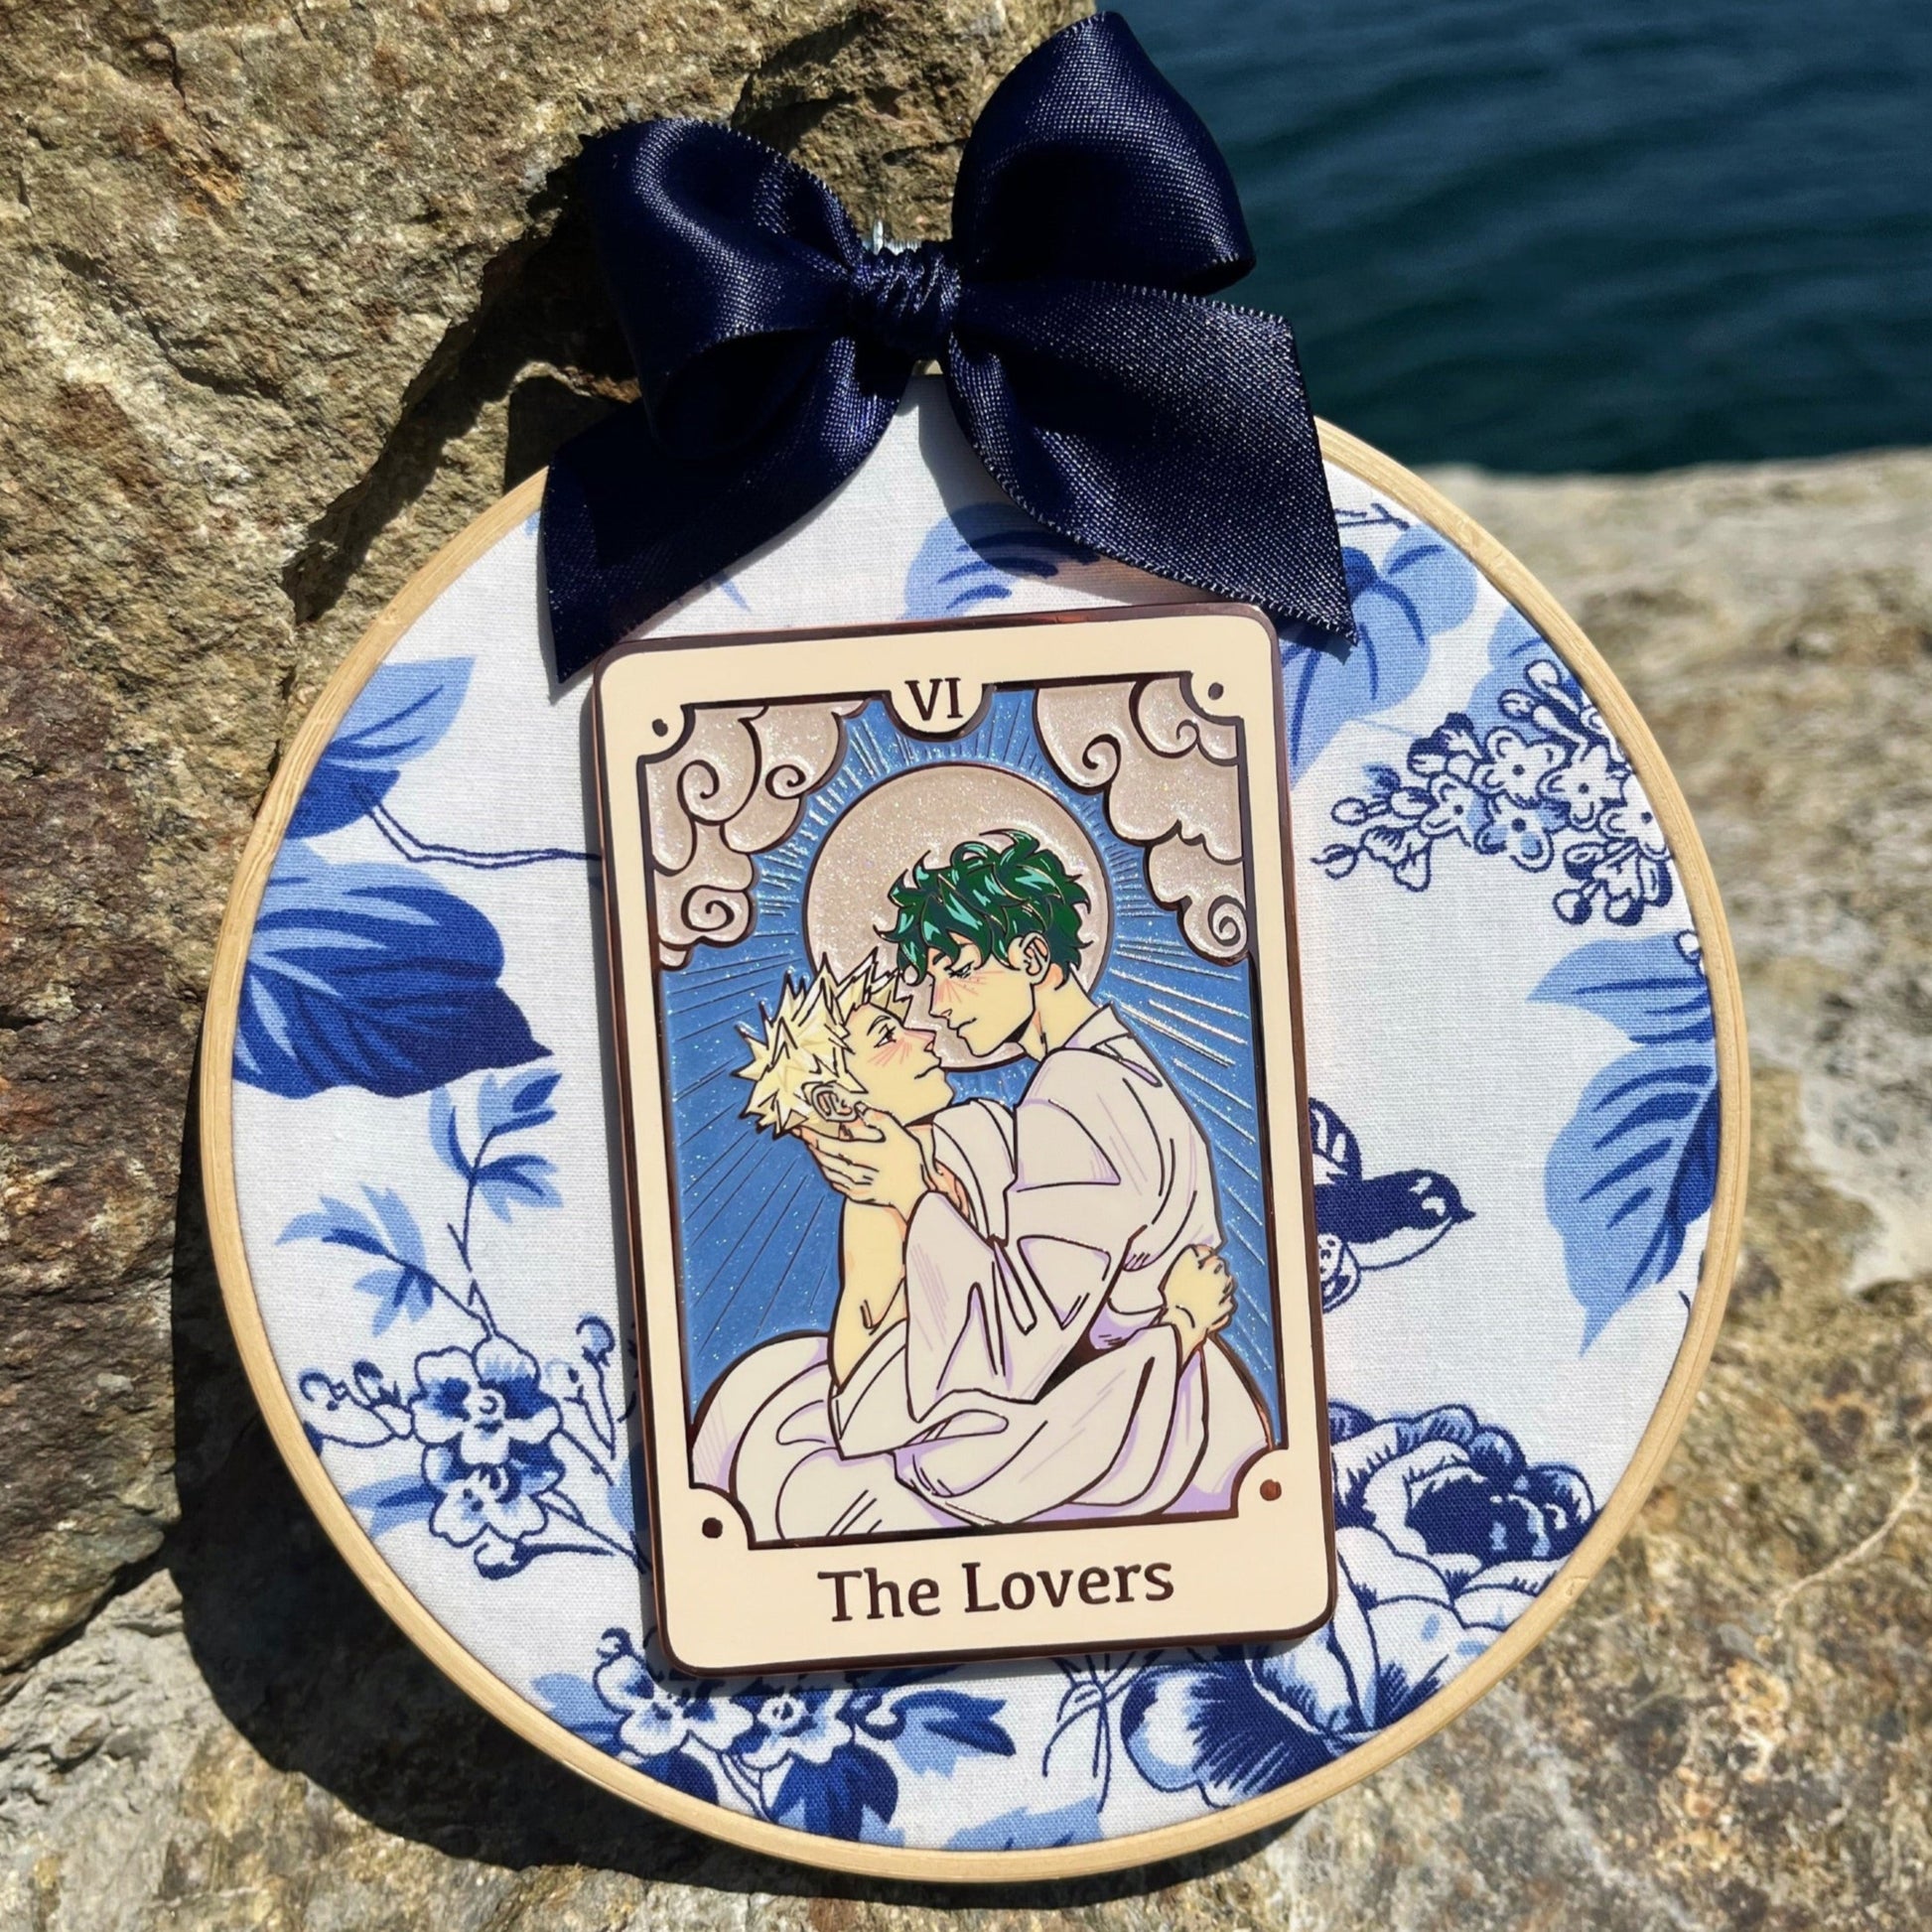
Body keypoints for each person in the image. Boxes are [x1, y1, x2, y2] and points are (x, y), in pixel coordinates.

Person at [801, 833, 1270, 1529]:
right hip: (1107, 1380)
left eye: (958, 971)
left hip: (1113, 1416)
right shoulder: (1089, 1074)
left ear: (1030, 957)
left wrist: (912, 1193)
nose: (938, 1008)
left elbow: (1011, 1347)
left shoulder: (1082, 1091)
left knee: (935, 1457)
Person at [690, 951, 1239, 1541]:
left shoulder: (964, 1140)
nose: (928, 1033)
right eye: (889, 1037)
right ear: (837, 1102)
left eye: (956, 974)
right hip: (928, 1425)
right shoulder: (879, 1195)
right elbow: (967, 1363)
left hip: (975, 1400)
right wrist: (1177, 1328)